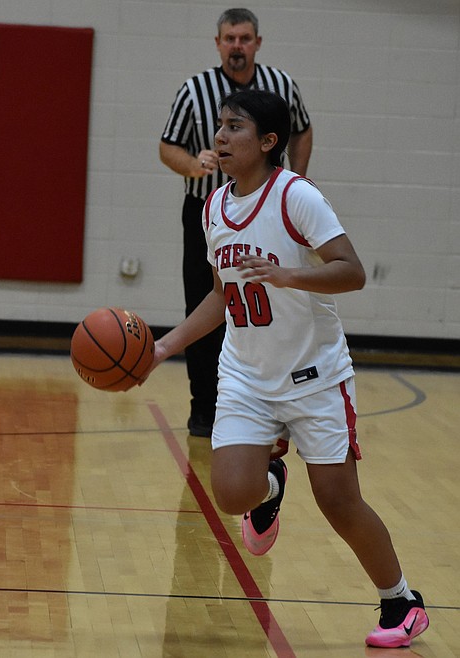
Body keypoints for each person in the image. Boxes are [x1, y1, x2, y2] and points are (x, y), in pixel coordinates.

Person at [147, 88, 429, 648]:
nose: (220, 137)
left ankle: (402, 602)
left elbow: (352, 271)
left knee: (338, 500)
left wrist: (289, 275)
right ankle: (270, 482)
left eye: (235, 127)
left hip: (314, 375)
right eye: (220, 126)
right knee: (231, 494)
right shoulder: (213, 207)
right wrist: (161, 348)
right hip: (247, 376)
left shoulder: (296, 196)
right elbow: (221, 296)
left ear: (267, 141)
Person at [160, 8, 313, 438]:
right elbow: (167, 147)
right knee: (208, 301)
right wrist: (193, 165)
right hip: (208, 210)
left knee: (272, 302)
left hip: (269, 211)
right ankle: (205, 406)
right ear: (218, 43)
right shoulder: (194, 90)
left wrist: (298, 178)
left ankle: (276, 399)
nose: (237, 46)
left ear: (257, 43)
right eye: (230, 38)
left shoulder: (282, 85)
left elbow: (302, 130)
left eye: (245, 38)